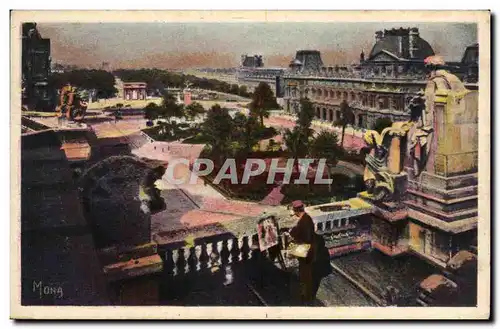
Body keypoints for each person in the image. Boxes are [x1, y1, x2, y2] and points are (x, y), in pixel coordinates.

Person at [288, 200, 331, 304]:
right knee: (307, 276)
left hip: (308, 253)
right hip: (310, 252)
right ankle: (308, 296)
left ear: (296, 211)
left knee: (307, 276)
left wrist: (293, 235)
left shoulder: (304, 221)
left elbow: (305, 238)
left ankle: (307, 297)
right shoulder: (306, 218)